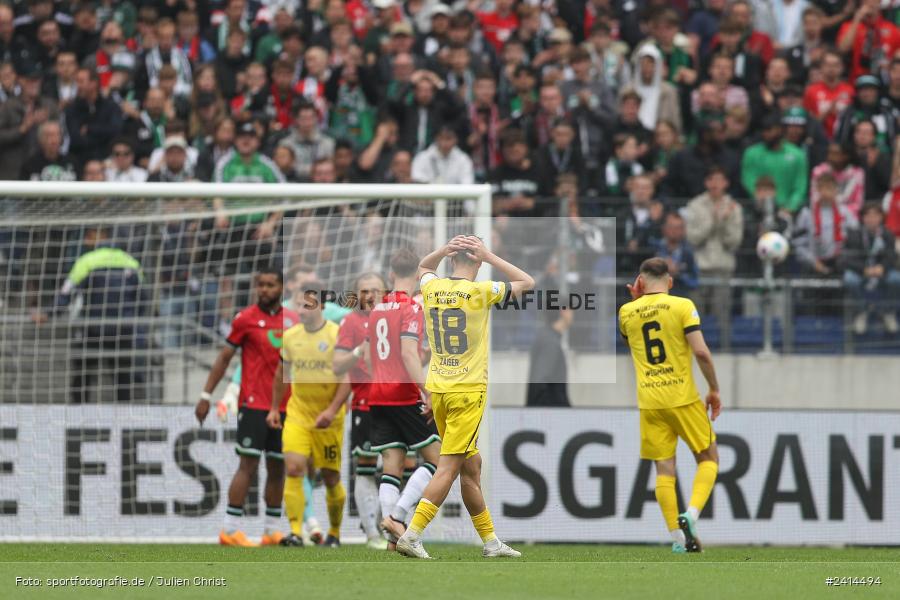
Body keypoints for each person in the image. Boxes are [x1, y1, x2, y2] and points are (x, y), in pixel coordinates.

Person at [396, 235, 534, 560]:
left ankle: (490, 542)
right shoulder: (481, 292)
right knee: (447, 468)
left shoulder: (431, 287)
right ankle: (412, 533)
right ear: (478, 261)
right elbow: (526, 281)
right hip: (467, 392)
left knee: (471, 467)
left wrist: (443, 250)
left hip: (440, 390)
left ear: (452, 258)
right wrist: (491, 256)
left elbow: (423, 267)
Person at [618, 257, 722, 553]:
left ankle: (678, 540)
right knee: (709, 457)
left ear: (639, 282)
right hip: (682, 397)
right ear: (670, 282)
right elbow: (701, 352)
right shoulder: (682, 306)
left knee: (664, 469)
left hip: (650, 401)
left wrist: (637, 302)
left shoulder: (626, 312)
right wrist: (714, 388)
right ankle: (692, 514)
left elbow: (635, 345)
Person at [194, 267, 297, 547]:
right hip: (253, 404)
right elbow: (225, 358)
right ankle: (229, 529)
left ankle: (272, 530)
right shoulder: (246, 319)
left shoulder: (292, 321)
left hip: (286, 406)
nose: (264, 289)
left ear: (281, 289)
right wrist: (206, 395)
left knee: (278, 468)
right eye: (260, 285)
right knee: (248, 465)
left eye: (270, 285)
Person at [366, 250, 442, 549]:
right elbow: (409, 354)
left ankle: (391, 538)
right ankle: (397, 516)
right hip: (403, 394)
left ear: (390, 272)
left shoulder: (377, 309)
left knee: (392, 466)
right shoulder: (411, 308)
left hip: (378, 394)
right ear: (419, 273)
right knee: (438, 461)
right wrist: (427, 390)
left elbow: (374, 357)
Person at [269, 279, 352, 548]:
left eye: (307, 305)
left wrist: (331, 410)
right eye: (298, 305)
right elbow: (281, 374)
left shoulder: (337, 335)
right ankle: (295, 532)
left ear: (320, 305)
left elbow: (346, 380)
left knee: (330, 477)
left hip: (329, 419)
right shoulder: (291, 336)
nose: (301, 311)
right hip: (298, 414)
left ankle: (335, 533)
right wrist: (274, 408)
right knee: (293, 468)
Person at [333, 271, 389, 550]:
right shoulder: (351, 322)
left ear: (385, 292)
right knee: (366, 469)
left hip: (398, 404)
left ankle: (392, 526)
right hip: (366, 407)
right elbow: (337, 365)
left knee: (403, 468)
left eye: (375, 290)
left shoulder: (397, 317)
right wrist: (358, 351)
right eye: (364, 291)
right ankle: (372, 533)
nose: (370, 296)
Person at [684, 167, 744, 344]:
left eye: (720, 180)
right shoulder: (695, 205)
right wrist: (713, 220)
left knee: (723, 315)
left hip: (723, 267)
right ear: (706, 182)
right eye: (712, 179)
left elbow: (734, 241)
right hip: (699, 267)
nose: (716, 184)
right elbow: (692, 238)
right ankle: (694, 350)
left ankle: (724, 348)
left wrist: (724, 222)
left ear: (726, 183)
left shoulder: (734, 207)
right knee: (694, 316)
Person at [839, 203, 900, 335]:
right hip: (861, 271)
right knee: (849, 279)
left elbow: (892, 256)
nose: (872, 219)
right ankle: (862, 311)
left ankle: (887, 312)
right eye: (868, 215)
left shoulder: (887, 234)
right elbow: (845, 258)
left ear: (881, 217)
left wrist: (882, 267)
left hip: (881, 270)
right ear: (863, 218)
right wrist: (864, 269)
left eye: (875, 215)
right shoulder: (854, 233)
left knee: (896, 279)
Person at [794, 173, 858, 277]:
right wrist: (813, 262)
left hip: (840, 264)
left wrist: (844, 258)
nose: (825, 193)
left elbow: (855, 241)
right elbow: (798, 244)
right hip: (812, 265)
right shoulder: (806, 213)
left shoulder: (845, 213)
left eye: (829, 188)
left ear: (836, 191)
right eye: (821, 189)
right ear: (817, 191)